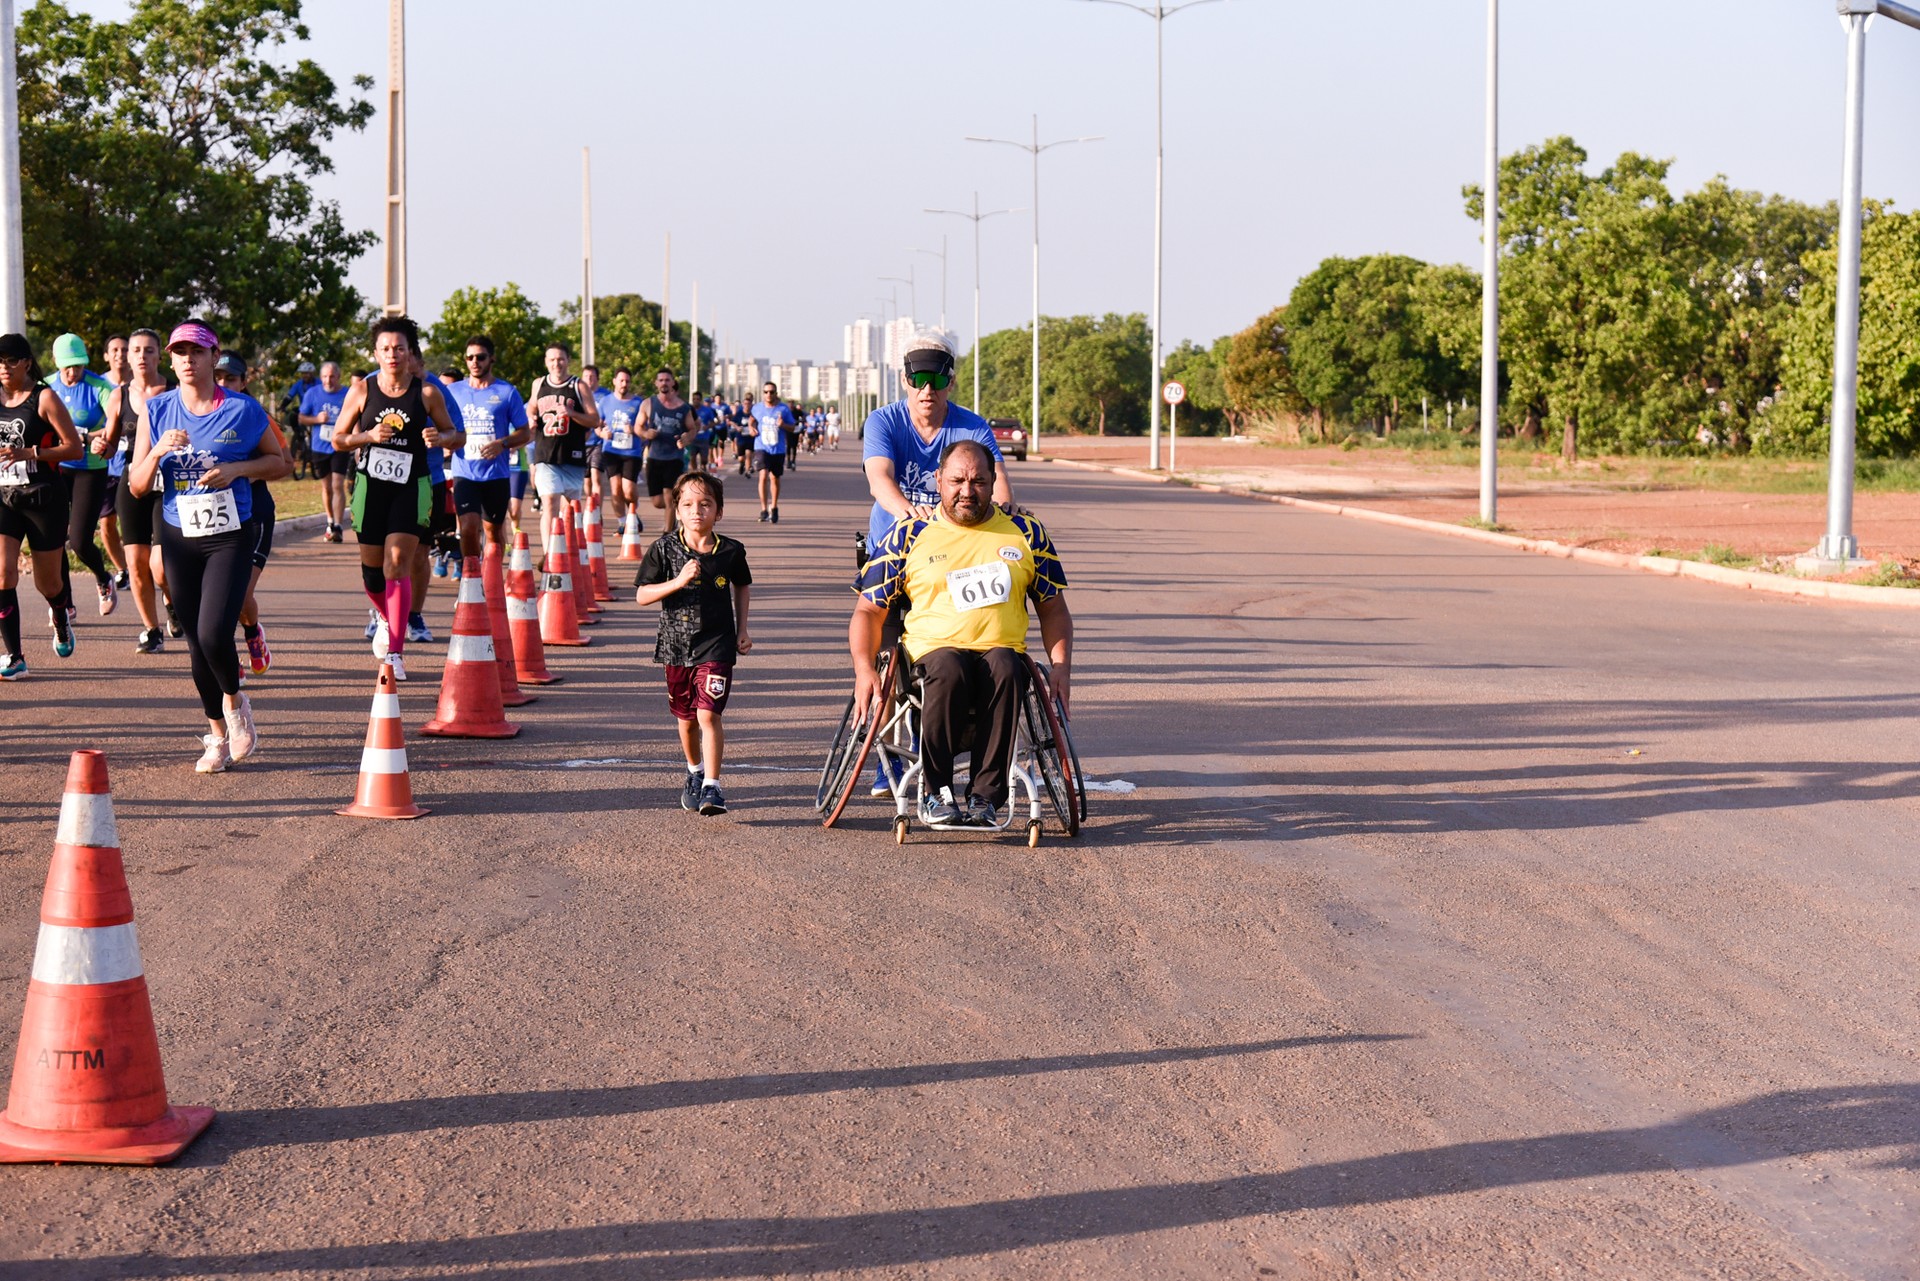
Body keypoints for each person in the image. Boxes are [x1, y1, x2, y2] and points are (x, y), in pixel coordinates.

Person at [850, 440, 1071, 829]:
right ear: (938, 480)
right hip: (932, 655)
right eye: (957, 481)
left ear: (992, 483)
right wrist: (863, 669)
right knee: (949, 666)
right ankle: (938, 791)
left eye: (978, 481)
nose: (967, 491)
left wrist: (1061, 667)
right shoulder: (909, 533)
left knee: (1005, 665)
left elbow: (1053, 608)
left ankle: (985, 798)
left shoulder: (1026, 532)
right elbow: (869, 611)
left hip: (1000, 650)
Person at [127, 320, 285, 771]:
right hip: (179, 534)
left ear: (215, 357)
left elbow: (280, 462)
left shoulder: (243, 409)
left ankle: (236, 706)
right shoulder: (156, 410)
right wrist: (157, 452)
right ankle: (215, 734)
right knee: (196, 642)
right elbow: (138, 486)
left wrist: (239, 471)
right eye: (179, 353)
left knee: (216, 632)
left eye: (196, 352)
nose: (187, 360)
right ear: (171, 360)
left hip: (230, 534)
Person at [330, 316, 459, 681]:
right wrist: (366, 436)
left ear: (410, 353)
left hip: (411, 485)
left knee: (398, 562)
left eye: (399, 348)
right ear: (375, 353)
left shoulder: (427, 393)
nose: (392, 355)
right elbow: (338, 439)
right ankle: (388, 617)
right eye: (385, 349)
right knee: (373, 576)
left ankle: (395, 651)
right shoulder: (362, 391)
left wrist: (442, 438)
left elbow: (456, 434)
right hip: (371, 488)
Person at [633, 471, 752, 817]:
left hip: (717, 645)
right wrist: (678, 581)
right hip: (676, 647)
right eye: (688, 504)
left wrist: (743, 629)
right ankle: (695, 772)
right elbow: (642, 594)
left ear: (719, 511)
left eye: (705, 504)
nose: (697, 511)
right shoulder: (664, 549)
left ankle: (713, 787)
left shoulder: (730, 550)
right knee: (686, 720)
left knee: (708, 714)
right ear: (678, 510)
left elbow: (742, 586)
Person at [0, 332, 85, 678]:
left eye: (9, 361)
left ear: (26, 362)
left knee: (47, 584)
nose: (3, 368)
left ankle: (61, 614)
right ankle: (15, 656)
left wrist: (31, 452)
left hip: (43, 498)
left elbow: (75, 449)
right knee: (3, 573)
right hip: (5, 497)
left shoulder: (44, 398)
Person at [213, 353, 290, 677]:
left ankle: (252, 632)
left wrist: (245, 472)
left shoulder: (254, 414)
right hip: (213, 517)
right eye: (219, 377)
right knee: (216, 594)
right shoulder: (197, 413)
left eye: (231, 378)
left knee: (241, 592)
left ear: (244, 383)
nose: (223, 384)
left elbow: (286, 464)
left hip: (253, 514)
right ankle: (229, 654)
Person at [101, 329, 171, 652]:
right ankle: (151, 629)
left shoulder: (174, 391)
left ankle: (172, 603)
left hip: (170, 481)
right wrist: (103, 444)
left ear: (160, 356)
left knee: (160, 566)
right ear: (128, 358)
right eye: (136, 351)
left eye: (149, 350)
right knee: (137, 564)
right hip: (133, 482)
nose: (142, 356)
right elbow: (112, 442)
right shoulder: (119, 396)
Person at [47, 333, 119, 618]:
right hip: (58, 467)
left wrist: (86, 436)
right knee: (54, 538)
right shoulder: (47, 387)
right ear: (56, 363)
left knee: (78, 540)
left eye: (78, 365)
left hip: (91, 469)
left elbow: (113, 425)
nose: (72, 371)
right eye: (67, 365)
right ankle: (65, 602)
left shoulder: (99, 386)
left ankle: (103, 578)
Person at [444, 334, 532, 562]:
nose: (474, 361)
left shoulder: (506, 392)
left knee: (493, 531)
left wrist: (502, 443)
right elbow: (442, 425)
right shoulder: (454, 392)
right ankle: (471, 577)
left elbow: (525, 432)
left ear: (491, 359)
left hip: (496, 474)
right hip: (465, 472)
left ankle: (490, 579)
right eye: (469, 357)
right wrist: (446, 441)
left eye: (480, 357)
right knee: (468, 526)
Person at [527, 342, 599, 545]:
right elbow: (531, 407)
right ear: (546, 362)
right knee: (549, 502)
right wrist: (531, 418)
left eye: (560, 359)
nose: (556, 364)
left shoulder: (578, 386)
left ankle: (567, 551)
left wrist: (573, 413)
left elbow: (594, 419)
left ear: (568, 361)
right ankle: (549, 554)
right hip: (545, 454)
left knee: (571, 509)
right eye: (552, 360)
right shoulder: (538, 384)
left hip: (572, 455)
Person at [299, 361, 350, 541]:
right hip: (319, 446)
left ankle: (338, 525)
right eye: (325, 377)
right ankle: (329, 521)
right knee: (327, 487)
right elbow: (302, 417)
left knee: (338, 485)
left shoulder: (347, 394)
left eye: (332, 376)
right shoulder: (313, 393)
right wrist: (316, 419)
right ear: (321, 378)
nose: (328, 380)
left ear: (338, 376)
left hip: (340, 445)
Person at [636, 367, 694, 524]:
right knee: (657, 501)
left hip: (674, 457)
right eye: (661, 380)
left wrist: (686, 438)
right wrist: (646, 434)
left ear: (673, 383)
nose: (664, 383)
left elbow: (692, 429)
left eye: (667, 380)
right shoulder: (648, 403)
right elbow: (638, 427)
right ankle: (675, 509)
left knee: (669, 495)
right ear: (656, 383)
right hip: (654, 456)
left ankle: (667, 534)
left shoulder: (683, 407)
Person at [595, 367, 644, 536]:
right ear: (614, 381)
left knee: (628, 489)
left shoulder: (638, 403)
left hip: (632, 452)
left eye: (627, 381)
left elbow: (646, 427)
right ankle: (623, 522)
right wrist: (602, 433)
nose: (624, 384)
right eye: (621, 380)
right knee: (615, 489)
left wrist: (635, 430)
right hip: (611, 450)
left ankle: (633, 514)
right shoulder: (605, 401)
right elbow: (597, 424)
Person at [749, 381, 793, 523]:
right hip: (761, 446)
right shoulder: (757, 408)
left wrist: (783, 425)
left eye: (772, 392)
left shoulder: (783, 409)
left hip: (778, 448)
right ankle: (763, 509)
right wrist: (751, 427)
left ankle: (773, 507)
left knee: (774, 478)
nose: (769, 394)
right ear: (763, 393)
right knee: (763, 475)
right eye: (766, 392)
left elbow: (792, 427)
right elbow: (752, 419)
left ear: (776, 393)